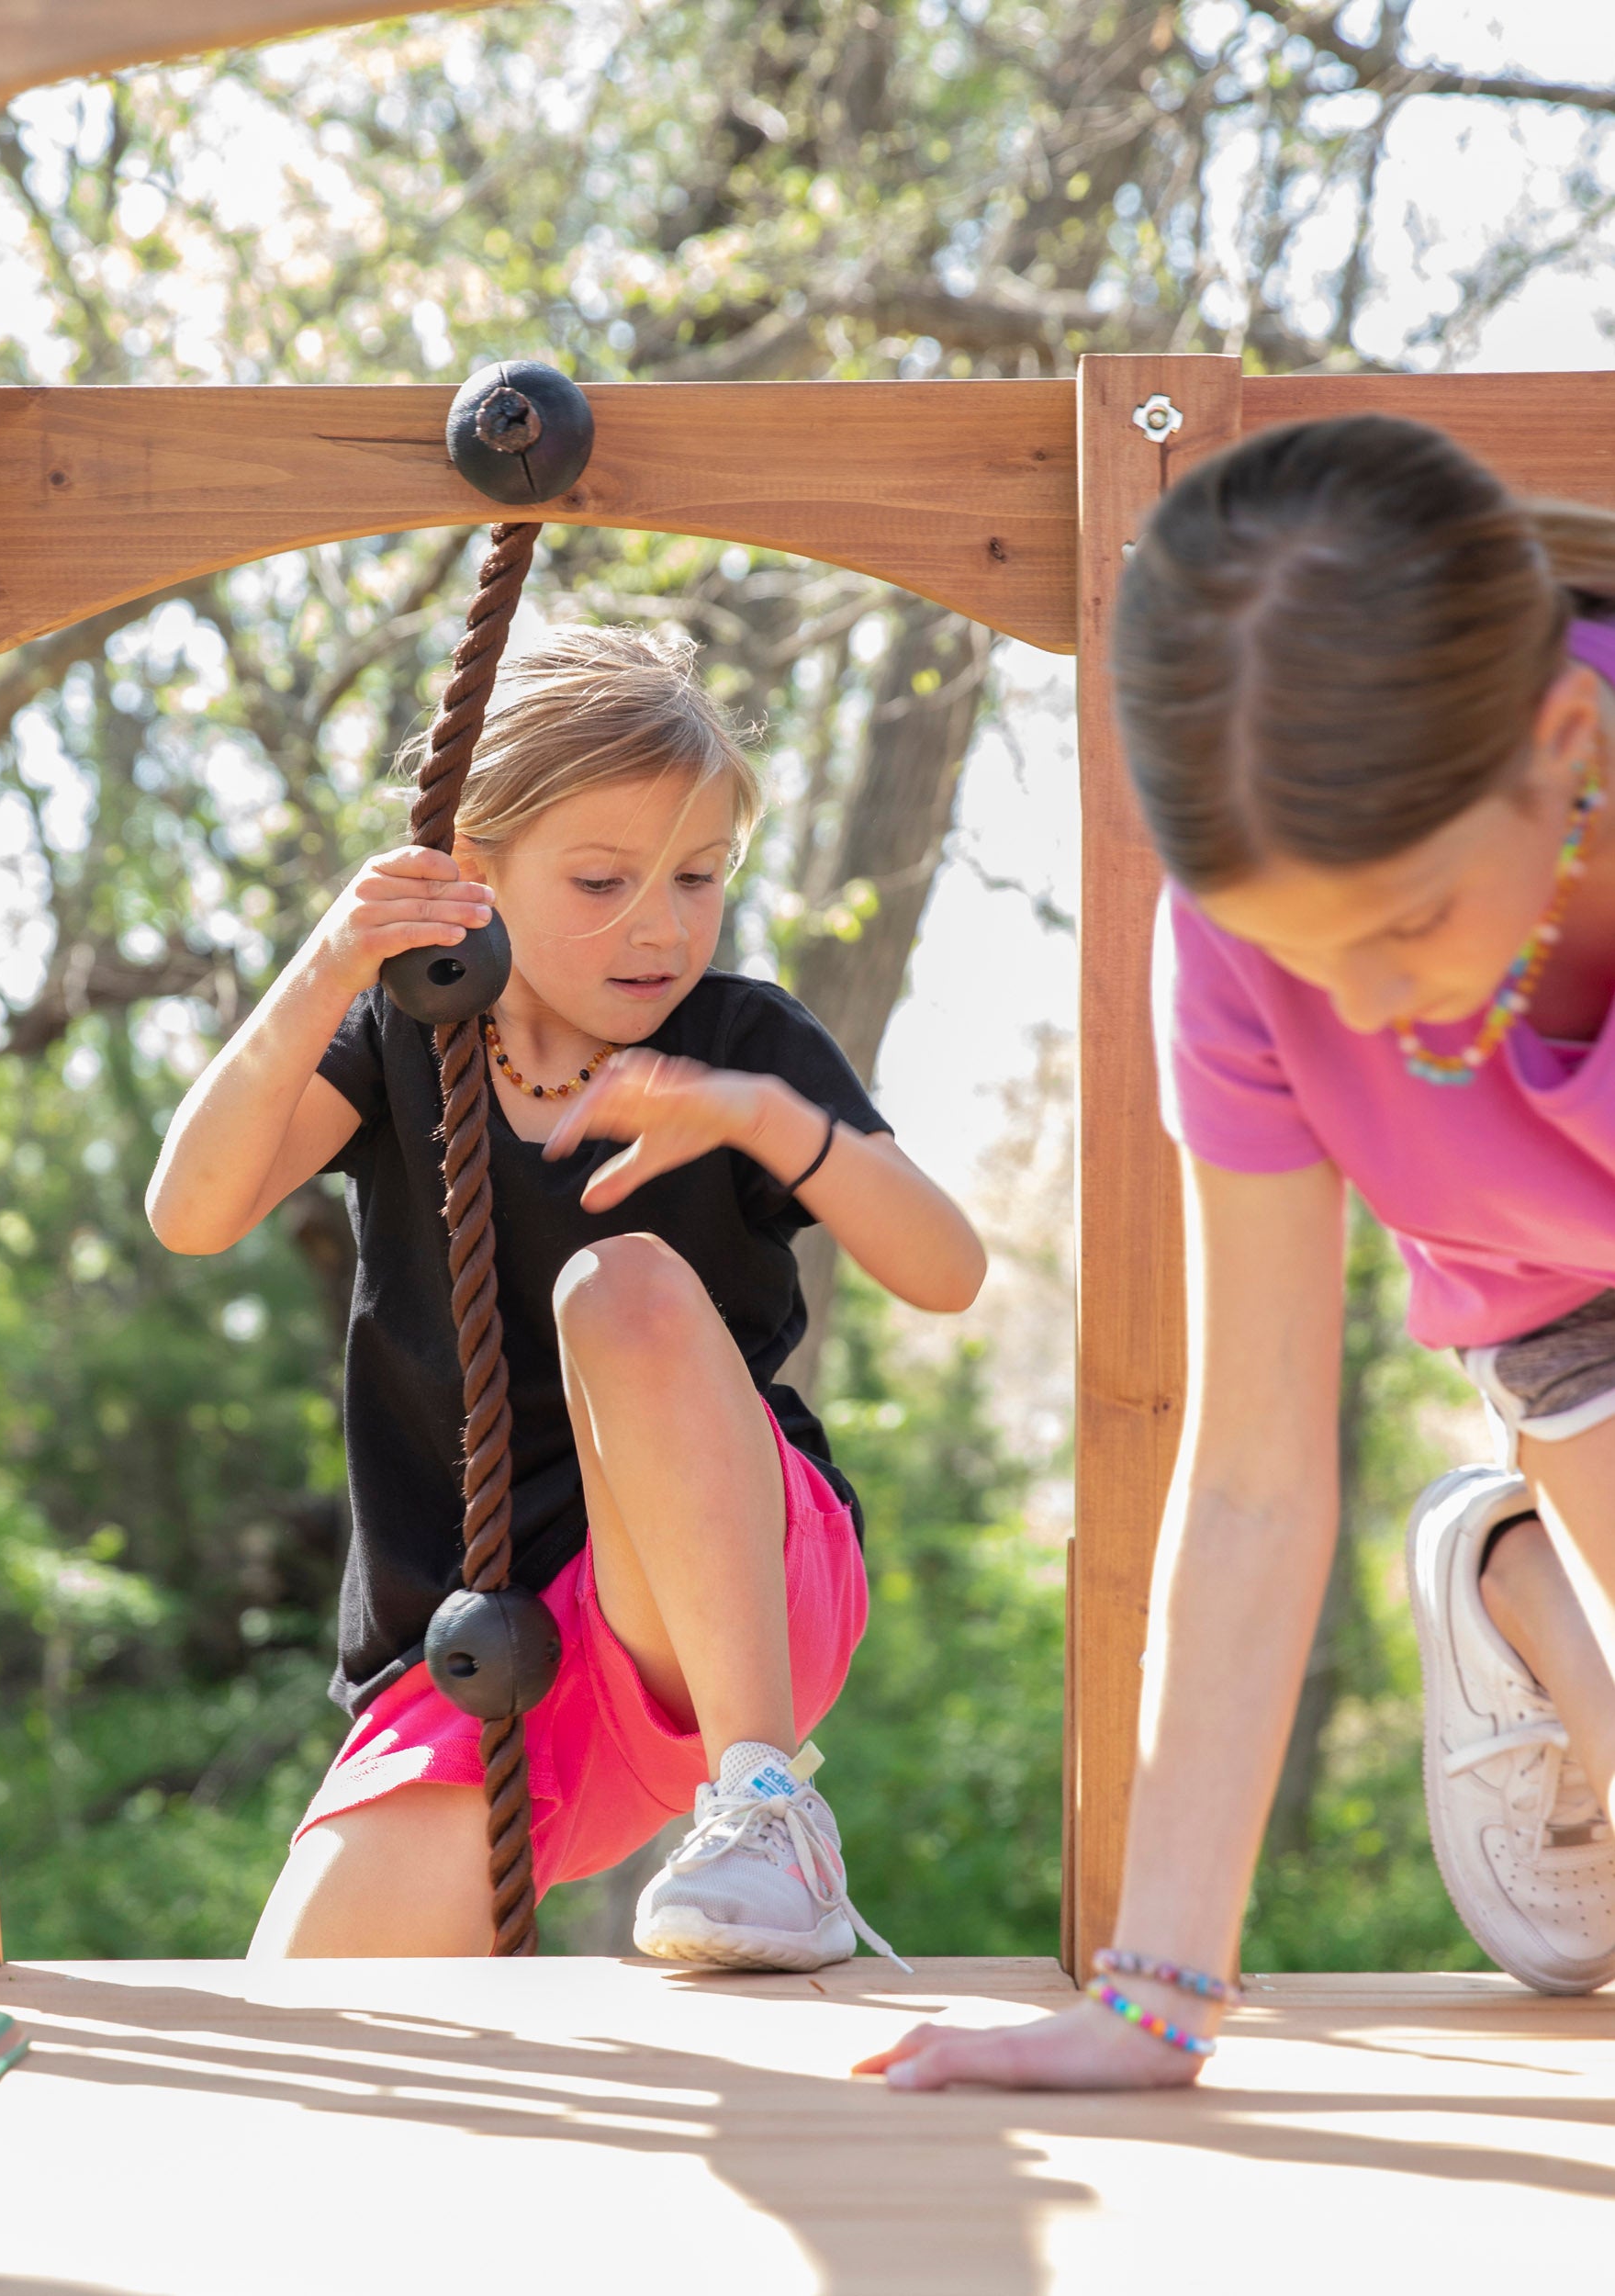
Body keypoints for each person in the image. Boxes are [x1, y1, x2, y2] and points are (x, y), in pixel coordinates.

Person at [863, 413, 1615, 2091]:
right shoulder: (1241, 948)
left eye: (1407, 921)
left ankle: (1526, 1590)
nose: (1353, 1010)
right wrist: (1149, 1999)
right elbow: (1257, 1469)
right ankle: (1525, 1574)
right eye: (1301, 954)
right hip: (1567, 1310)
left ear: (1565, 739)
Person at [147, 625, 985, 1965]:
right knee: (312, 2011)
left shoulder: (741, 1046)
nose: (662, 925)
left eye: (701, 877)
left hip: (723, 1610)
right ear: (474, 874)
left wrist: (766, 1119)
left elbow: (948, 1273)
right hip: (483, 1662)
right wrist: (331, 964)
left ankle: (772, 1810)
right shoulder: (402, 1043)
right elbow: (189, 1213)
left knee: (624, 1286)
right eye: (603, 879)